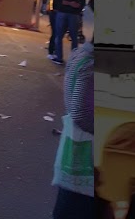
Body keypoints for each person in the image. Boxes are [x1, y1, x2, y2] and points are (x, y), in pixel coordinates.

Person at [52, 42, 95, 219]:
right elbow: (81, 114)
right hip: (89, 149)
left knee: (70, 198)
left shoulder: (80, 53)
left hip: (77, 144)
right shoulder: (92, 63)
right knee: (79, 202)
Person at [50, 0, 87, 65]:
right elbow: (82, 1)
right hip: (73, 14)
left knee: (59, 36)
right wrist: (77, 7)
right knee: (74, 37)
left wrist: (60, 5)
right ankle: (73, 60)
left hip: (62, 12)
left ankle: (59, 57)